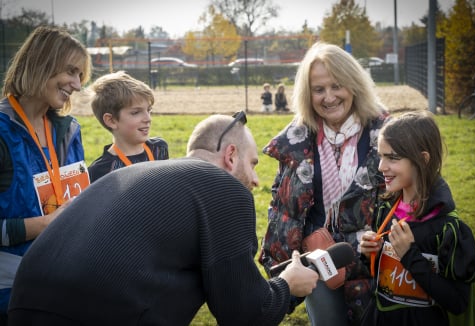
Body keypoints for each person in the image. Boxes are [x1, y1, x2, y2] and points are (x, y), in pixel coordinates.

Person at [7, 112, 319, 326]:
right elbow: (245, 313)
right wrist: (288, 285)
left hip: (24, 299)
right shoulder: (224, 186)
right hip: (96, 311)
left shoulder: (140, 171)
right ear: (230, 156)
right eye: (252, 164)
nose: (254, 180)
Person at [258, 41, 390, 326]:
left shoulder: (385, 134)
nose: (328, 97)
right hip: (318, 259)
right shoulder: (296, 140)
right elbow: (283, 205)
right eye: (319, 89)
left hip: (375, 262)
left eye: (336, 86)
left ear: (354, 85)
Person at [0, 25, 92, 324]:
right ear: (41, 63)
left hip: (65, 289)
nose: (77, 86)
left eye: (81, 76)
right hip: (10, 299)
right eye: (71, 72)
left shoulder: (69, 132)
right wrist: (43, 226)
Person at [359, 111, 475, 326]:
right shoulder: (386, 211)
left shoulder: (448, 230)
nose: (381, 166)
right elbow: (383, 282)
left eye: (392, 158)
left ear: (422, 159)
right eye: (381, 155)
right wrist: (371, 254)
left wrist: (409, 256)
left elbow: (458, 302)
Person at [87, 71, 169, 183]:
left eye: (149, 110)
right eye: (136, 112)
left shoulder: (159, 149)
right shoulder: (100, 171)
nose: (148, 118)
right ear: (111, 120)